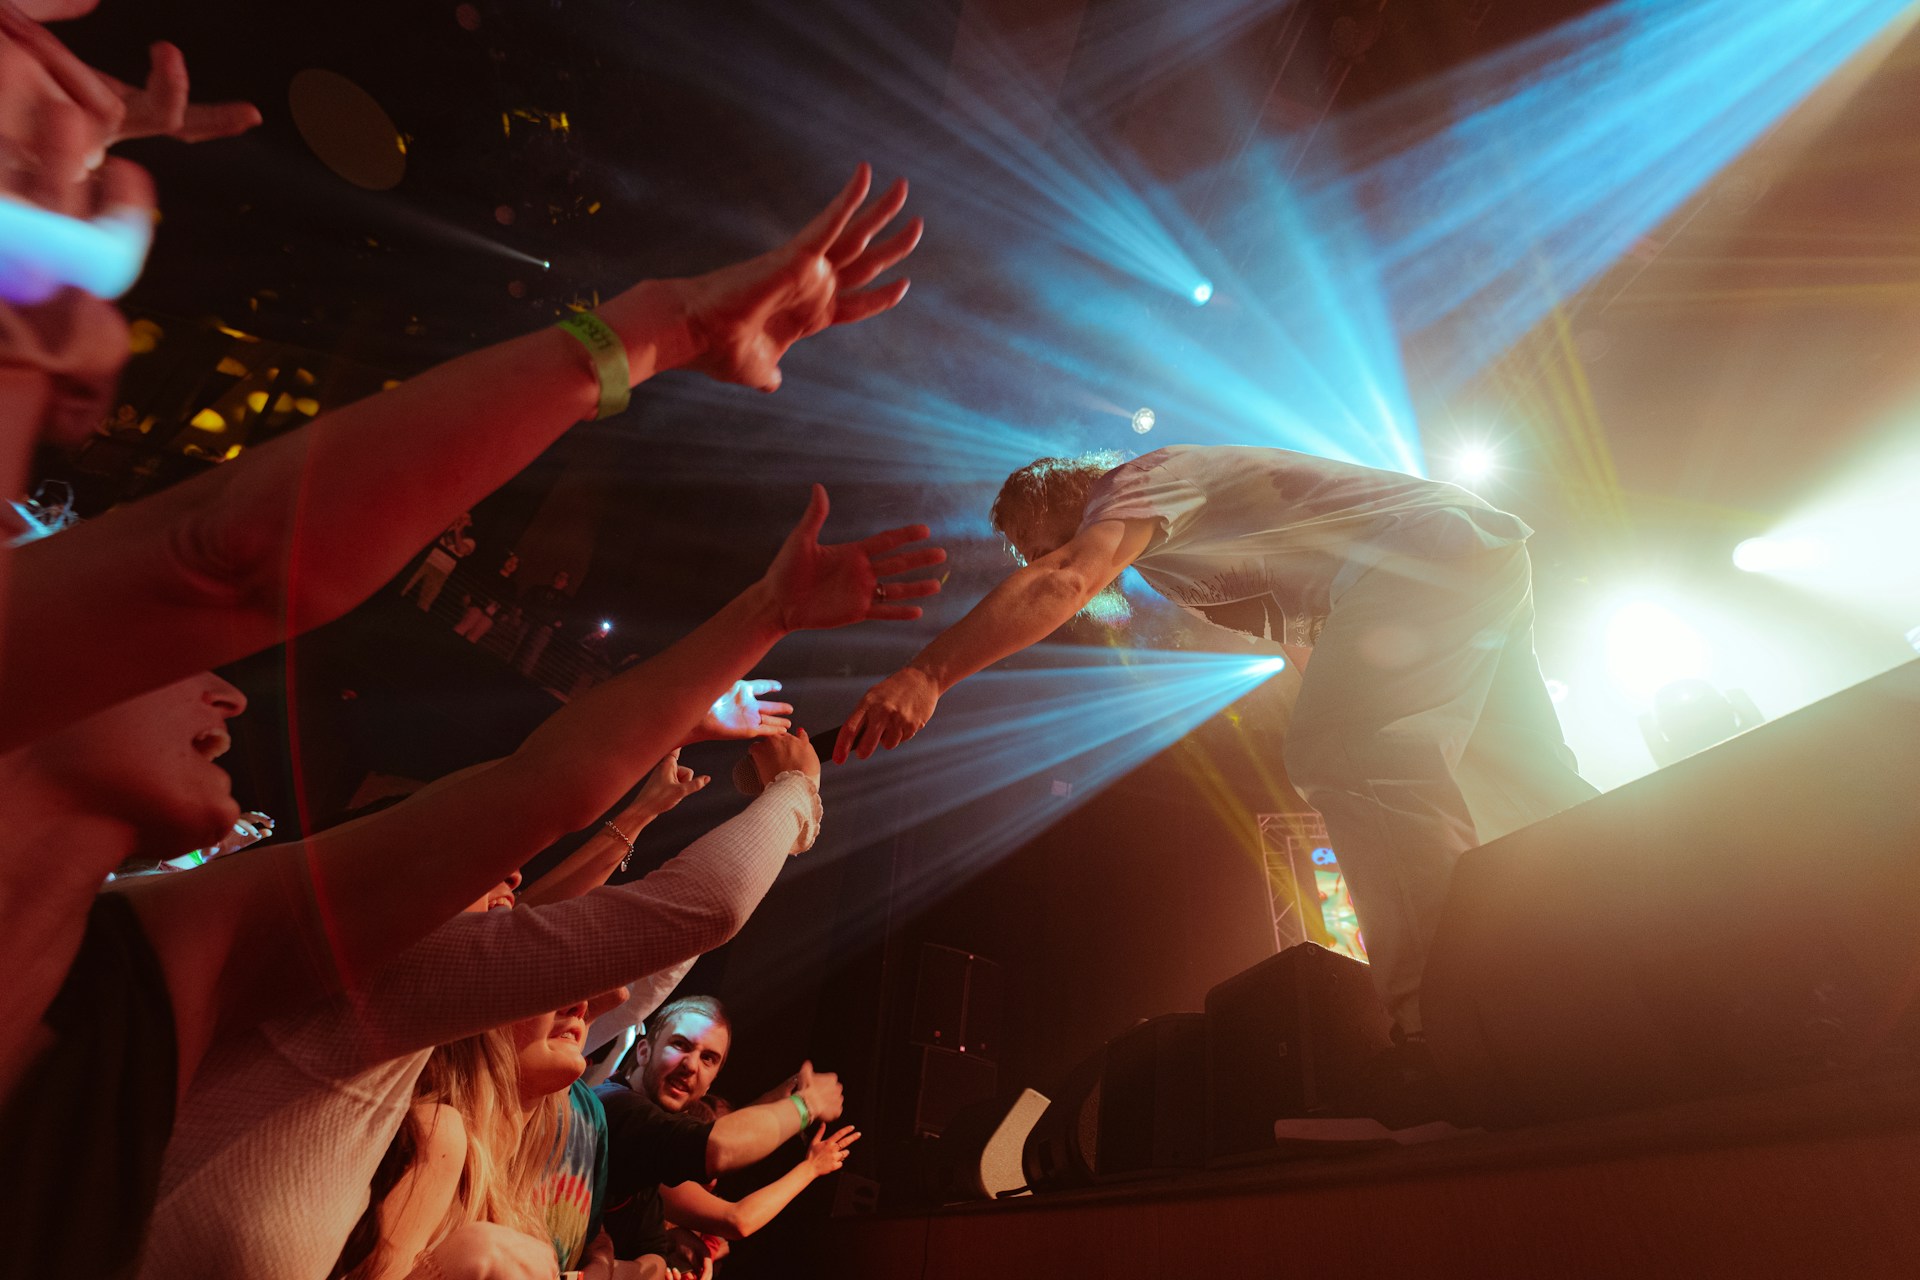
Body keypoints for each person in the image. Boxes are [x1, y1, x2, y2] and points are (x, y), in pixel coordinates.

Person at [1, 488, 939, 1276]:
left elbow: (548, 785)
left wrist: (739, 648)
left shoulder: (166, 949)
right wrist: (798, 793)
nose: (231, 697)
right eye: (494, 894)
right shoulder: (354, 973)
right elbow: (666, 889)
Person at [839, 445, 1600, 1076]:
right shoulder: (1177, 556)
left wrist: (928, 673)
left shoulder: (1135, 483)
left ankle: (1444, 1038)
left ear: (1068, 496)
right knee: (1518, 787)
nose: (1033, 557)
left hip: (1424, 557)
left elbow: (1066, 578)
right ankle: (1619, 946)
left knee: (1356, 755)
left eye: (1032, 537)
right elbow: (1320, 636)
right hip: (1461, 559)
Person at [598, 997, 857, 1274]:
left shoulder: (647, 1147)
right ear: (644, 1052)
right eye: (680, 1045)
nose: (691, 1065)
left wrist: (661, 1259)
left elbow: (648, 1250)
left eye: (708, 1058)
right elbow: (718, 1150)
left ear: (711, 1083)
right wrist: (808, 1108)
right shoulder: (620, 1108)